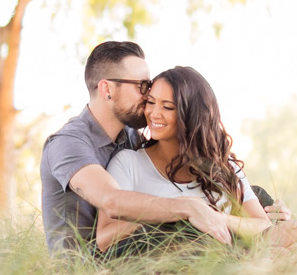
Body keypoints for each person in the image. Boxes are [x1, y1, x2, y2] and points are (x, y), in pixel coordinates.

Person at [97, 65, 297, 258]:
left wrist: (215, 217)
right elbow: (104, 238)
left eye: (167, 107)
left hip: (235, 254)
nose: (154, 113)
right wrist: (175, 211)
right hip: (179, 262)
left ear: (191, 115)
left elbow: (262, 225)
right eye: (151, 102)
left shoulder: (223, 166)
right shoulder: (128, 163)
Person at [41, 41, 235, 253]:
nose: (148, 95)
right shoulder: (68, 143)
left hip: (138, 256)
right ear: (107, 89)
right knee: (187, 222)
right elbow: (111, 201)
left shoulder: (132, 137)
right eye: (141, 86)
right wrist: (189, 206)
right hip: (88, 273)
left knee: (247, 194)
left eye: (149, 85)